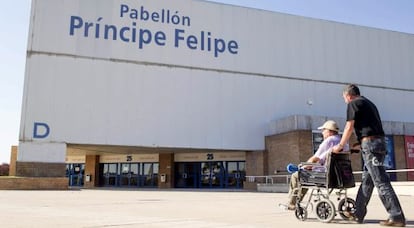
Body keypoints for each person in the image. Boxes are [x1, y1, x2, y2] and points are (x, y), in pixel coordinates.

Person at [332, 84, 406, 227]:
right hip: (378, 144)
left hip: (371, 145)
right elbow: (372, 128)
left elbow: (349, 126)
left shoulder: (353, 103)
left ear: (349, 95)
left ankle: (396, 216)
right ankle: (358, 214)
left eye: (344, 98)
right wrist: (359, 145)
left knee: (380, 181)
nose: (345, 101)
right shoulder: (369, 103)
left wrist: (340, 146)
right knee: (367, 181)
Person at [285, 120, 348, 210]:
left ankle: (292, 203)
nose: (322, 133)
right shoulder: (343, 142)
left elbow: (316, 158)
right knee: (305, 175)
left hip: (324, 175)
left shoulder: (328, 141)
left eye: (324, 130)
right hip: (340, 176)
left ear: (329, 131)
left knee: (297, 176)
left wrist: (303, 167)